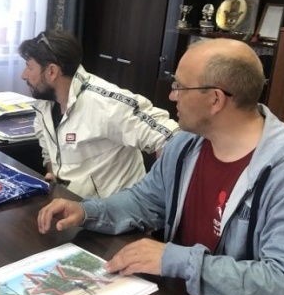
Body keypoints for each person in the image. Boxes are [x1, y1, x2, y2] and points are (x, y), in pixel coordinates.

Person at [37, 38, 284, 295]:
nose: (171, 95)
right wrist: (87, 211)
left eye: (179, 86)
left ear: (215, 99)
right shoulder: (185, 145)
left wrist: (175, 260)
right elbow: (144, 201)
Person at [18, 30, 180, 198]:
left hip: (114, 210)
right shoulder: (44, 105)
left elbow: (172, 137)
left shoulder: (106, 104)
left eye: (29, 67)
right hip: (72, 203)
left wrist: (155, 194)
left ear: (52, 71)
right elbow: (49, 152)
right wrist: (54, 175)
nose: (23, 75)